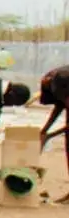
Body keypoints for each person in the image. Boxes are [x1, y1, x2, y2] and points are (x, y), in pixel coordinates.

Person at [38, 65, 69, 203]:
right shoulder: (56, 79)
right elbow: (60, 105)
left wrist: (49, 136)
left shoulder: (62, 80)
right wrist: (44, 130)